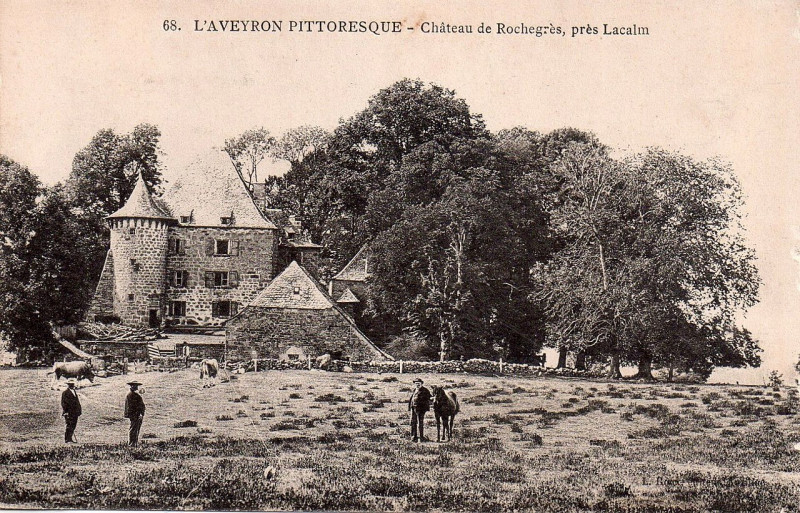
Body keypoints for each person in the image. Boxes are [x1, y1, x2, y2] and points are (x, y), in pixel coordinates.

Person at [408, 377, 431, 442]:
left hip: (420, 409)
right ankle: (413, 437)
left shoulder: (425, 390)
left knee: (420, 423)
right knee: (413, 422)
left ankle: (421, 438)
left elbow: (430, 397)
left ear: (421, 384)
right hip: (413, 408)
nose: (417, 385)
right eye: (416, 383)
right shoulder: (414, 390)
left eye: (419, 384)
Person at [124, 381, 146, 446]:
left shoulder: (133, 394)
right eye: (135, 386)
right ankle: (132, 444)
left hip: (136, 415)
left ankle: (134, 443)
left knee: (135, 429)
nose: (137, 387)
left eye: (137, 386)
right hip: (135, 415)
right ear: (132, 386)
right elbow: (132, 406)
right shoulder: (131, 395)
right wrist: (139, 414)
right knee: (134, 429)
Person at [60, 378, 81, 443]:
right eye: (70, 384)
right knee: (69, 425)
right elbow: (64, 403)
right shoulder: (65, 393)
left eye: (72, 384)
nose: (72, 385)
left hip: (75, 412)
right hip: (69, 412)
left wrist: (79, 410)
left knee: (73, 425)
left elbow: (77, 402)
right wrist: (66, 412)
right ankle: (67, 439)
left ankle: (70, 438)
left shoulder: (74, 392)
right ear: (68, 385)